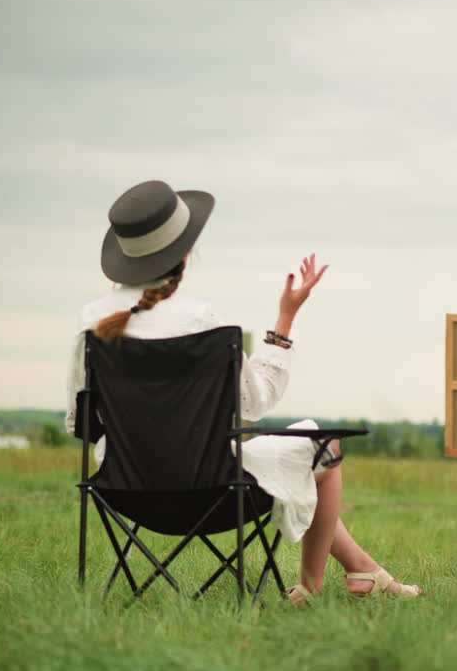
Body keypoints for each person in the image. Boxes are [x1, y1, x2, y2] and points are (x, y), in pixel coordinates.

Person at [65, 179, 422, 602]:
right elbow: (255, 402)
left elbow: (80, 423)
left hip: (123, 491)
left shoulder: (91, 323)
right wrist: (285, 318)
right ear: (184, 254)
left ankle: (363, 571)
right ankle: (311, 587)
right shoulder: (201, 320)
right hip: (214, 491)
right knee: (325, 449)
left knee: (295, 464)